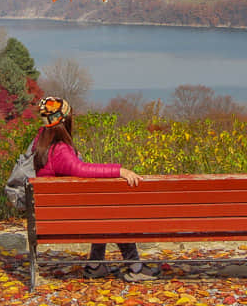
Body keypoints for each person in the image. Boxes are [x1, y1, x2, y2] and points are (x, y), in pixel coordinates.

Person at [32, 96, 160, 281]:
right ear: (66, 119)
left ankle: (96, 265)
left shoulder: (41, 144)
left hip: (56, 215)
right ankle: (134, 266)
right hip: (67, 218)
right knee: (114, 214)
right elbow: (80, 169)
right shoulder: (59, 149)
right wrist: (119, 170)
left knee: (104, 211)